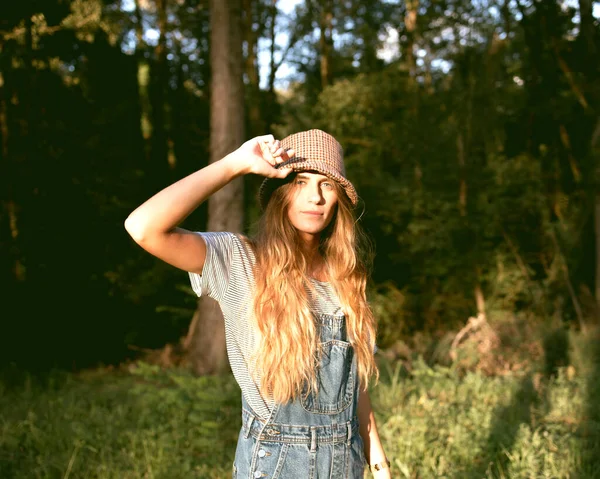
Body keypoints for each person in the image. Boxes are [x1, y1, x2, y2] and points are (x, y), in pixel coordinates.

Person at [125, 129, 391, 478]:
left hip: (346, 462)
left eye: (327, 185)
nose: (316, 197)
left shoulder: (347, 277)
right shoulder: (239, 260)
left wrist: (381, 466)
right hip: (276, 465)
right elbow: (143, 227)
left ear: (339, 199)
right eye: (301, 182)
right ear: (281, 193)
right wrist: (233, 164)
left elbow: (354, 388)